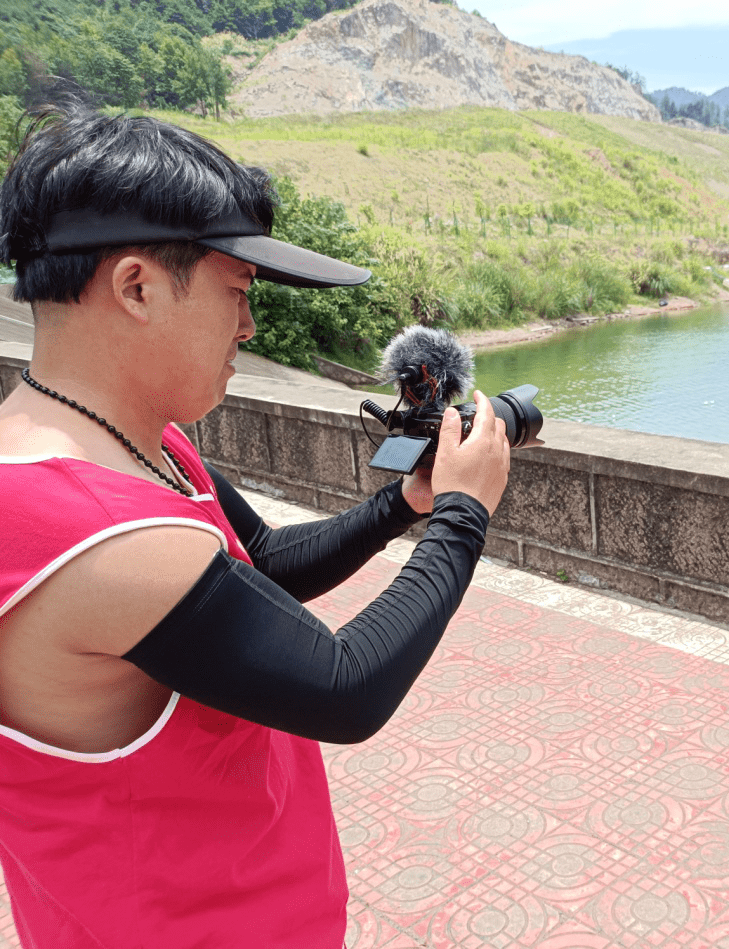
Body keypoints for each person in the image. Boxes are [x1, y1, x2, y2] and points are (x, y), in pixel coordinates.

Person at [0, 104, 512, 946]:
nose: (248, 327)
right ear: (136, 286)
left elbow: (259, 562)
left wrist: (405, 505)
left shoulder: (117, 449)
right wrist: (464, 513)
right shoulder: (103, 534)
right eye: (236, 293)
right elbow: (346, 686)